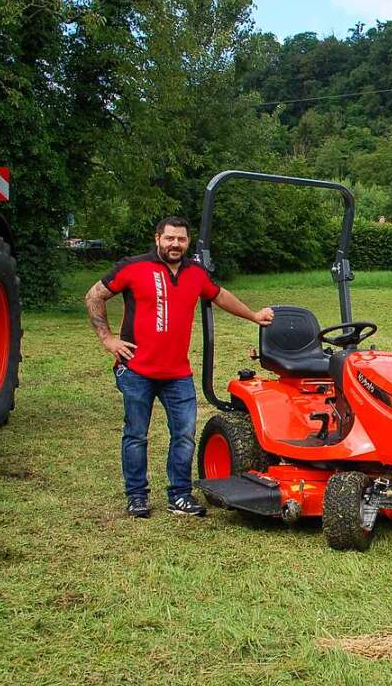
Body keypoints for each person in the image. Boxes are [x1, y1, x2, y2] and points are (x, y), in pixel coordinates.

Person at [85, 216, 274, 519]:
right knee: (136, 435)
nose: (175, 244)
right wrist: (108, 339)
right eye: (170, 238)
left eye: (181, 239)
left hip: (177, 374)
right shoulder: (133, 267)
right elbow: (95, 295)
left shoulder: (195, 273)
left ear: (188, 242)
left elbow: (220, 295)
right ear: (157, 237)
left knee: (184, 435)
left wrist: (253, 316)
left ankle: (180, 496)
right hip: (137, 372)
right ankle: (136, 497)